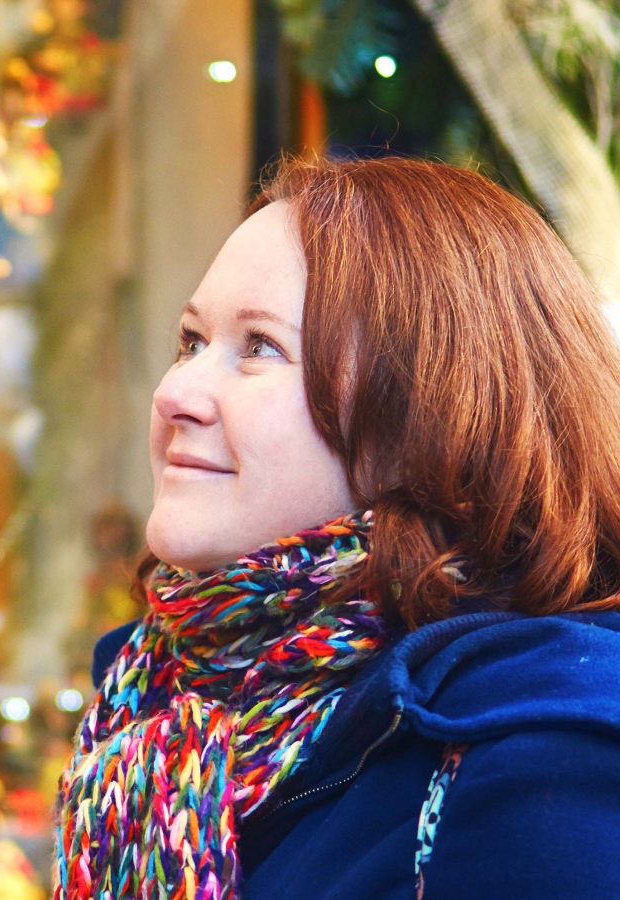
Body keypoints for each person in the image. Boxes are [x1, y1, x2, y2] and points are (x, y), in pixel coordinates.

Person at [55, 156, 620, 899]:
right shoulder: (148, 705)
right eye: (191, 341)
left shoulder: (537, 761)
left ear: (427, 413)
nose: (176, 392)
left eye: (260, 347)